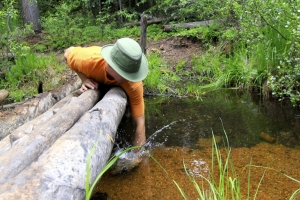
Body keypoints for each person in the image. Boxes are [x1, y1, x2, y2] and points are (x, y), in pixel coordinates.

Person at [64, 38, 148, 148]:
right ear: (112, 65)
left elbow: (140, 122)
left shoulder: (134, 84)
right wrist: (84, 79)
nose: (130, 78)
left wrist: (138, 153)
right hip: (92, 56)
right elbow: (67, 52)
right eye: (126, 74)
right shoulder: (88, 60)